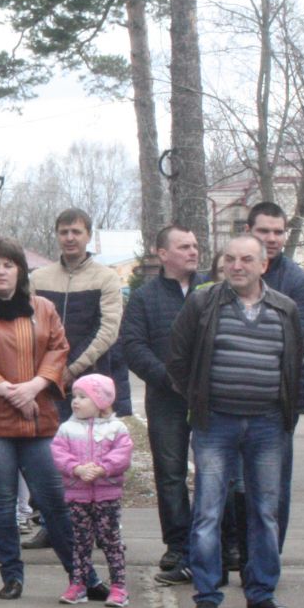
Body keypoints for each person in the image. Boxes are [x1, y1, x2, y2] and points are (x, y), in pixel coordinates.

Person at [168, 234, 302, 608]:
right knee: (208, 510)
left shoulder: (285, 309)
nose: (237, 265)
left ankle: (261, 592)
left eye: (246, 259)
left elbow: (294, 365)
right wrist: (197, 397)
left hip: (268, 426)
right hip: (216, 424)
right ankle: (207, 593)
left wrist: (287, 412)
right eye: (230, 258)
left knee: (265, 512)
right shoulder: (202, 303)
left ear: (263, 265)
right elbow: (177, 358)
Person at [0, 237, 85, 600]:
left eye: (8, 265)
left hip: (38, 418)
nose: (1, 271)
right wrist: (12, 391)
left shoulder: (42, 308)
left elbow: (59, 349)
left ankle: (80, 574)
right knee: (1, 499)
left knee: (53, 496)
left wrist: (35, 386)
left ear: (20, 271)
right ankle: (11, 575)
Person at [120, 226, 202, 584]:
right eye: (184, 246)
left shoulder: (212, 291)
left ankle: (218, 544)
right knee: (170, 473)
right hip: (166, 399)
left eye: (195, 245)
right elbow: (133, 346)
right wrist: (169, 379)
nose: (193, 252)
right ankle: (178, 545)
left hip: (211, 399)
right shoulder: (145, 298)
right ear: (162, 253)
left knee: (218, 473)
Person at [246, 203, 304, 549]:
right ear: (249, 231)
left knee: (273, 484)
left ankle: (270, 555)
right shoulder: (232, 271)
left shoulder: (298, 281)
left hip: (280, 398)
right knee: (233, 485)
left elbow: (297, 338)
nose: (271, 238)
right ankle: (236, 553)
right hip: (230, 395)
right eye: (264, 231)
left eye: (278, 231)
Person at [33, 209, 124, 421]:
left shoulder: (106, 278)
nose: (70, 238)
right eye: (64, 232)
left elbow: (108, 330)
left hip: (91, 382)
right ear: (56, 235)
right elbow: (29, 327)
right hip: (44, 381)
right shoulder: (38, 278)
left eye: (76, 231)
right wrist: (50, 369)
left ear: (89, 236)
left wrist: (71, 368)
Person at [51, 372, 133, 607]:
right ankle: (78, 584)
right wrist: (76, 469)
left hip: (107, 495)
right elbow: (58, 453)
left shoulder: (117, 428)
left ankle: (118, 587)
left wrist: (102, 469)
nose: (75, 401)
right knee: (80, 541)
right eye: (74, 396)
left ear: (101, 402)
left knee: (110, 540)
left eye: (82, 397)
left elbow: (122, 456)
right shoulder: (67, 428)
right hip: (77, 495)